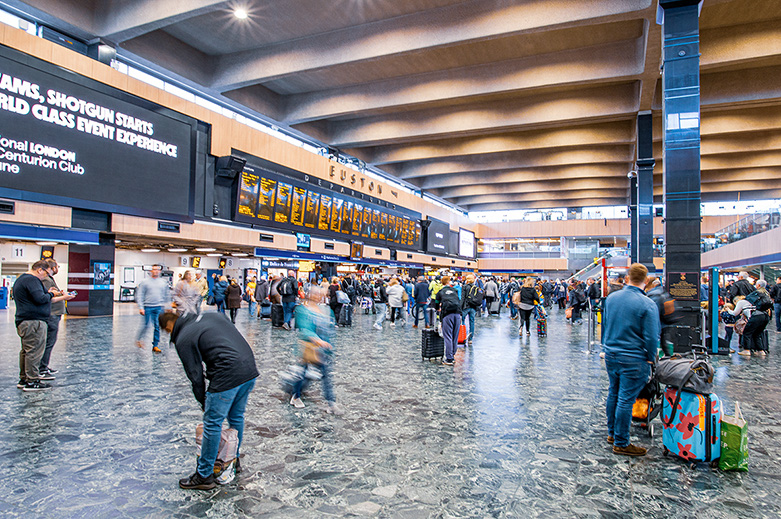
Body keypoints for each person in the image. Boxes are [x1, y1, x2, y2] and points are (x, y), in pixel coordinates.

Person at [159, 311, 258, 490]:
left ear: (168, 327)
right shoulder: (211, 315)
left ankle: (204, 475)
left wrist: (204, 402)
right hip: (249, 368)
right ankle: (232, 461)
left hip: (227, 374)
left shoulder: (184, 337)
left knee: (212, 423)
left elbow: (195, 376)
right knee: (236, 418)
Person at [602, 263, 660, 457]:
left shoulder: (611, 298)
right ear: (646, 280)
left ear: (627, 278)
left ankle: (612, 433)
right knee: (626, 399)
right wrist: (651, 358)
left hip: (612, 354)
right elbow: (652, 337)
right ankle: (621, 441)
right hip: (634, 357)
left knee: (614, 393)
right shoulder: (647, 304)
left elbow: (606, 325)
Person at [14, 260, 75, 391]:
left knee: (27, 351)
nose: (46, 276)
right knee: (34, 351)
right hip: (33, 321)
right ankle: (32, 380)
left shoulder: (23, 279)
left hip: (26, 320)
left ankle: (24, 378)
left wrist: (48, 293)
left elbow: (39, 297)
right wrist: (51, 294)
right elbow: (40, 299)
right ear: (40, 270)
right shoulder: (32, 280)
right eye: (46, 273)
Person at [289, 287, 342, 414]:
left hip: (322, 350)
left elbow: (329, 328)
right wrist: (319, 341)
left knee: (325, 376)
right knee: (302, 373)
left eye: (320, 294)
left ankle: (331, 402)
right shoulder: (302, 310)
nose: (318, 296)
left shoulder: (325, 309)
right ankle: (295, 396)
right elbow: (304, 329)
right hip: (307, 348)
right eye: (315, 293)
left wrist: (327, 345)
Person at [39, 258, 66, 378]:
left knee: (50, 341)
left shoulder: (49, 280)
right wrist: (64, 297)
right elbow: (48, 297)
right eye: (56, 267)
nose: (56, 270)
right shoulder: (46, 280)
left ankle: (44, 365)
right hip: (52, 314)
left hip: (54, 314)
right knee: (49, 341)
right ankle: (42, 368)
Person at [136, 265, 171, 353]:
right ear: (151, 271)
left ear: (160, 271)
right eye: (154, 269)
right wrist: (141, 307)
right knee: (146, 325)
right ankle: (139, 340)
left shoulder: (163, 282)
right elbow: (140, 295)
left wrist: (168, 306)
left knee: (157, 326)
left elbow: (167, 295)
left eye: (157, 270)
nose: (156, 271)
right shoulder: (145, 282)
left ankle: (155, 345)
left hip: (159, 307)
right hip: (147, 307)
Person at [435, 275, 462, 366]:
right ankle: (453, 355)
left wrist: (438, 309)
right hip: (457, 314)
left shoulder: (440, 292)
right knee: (455, 336)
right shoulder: (455, 290)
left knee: (448, 336)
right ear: (449, 282)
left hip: (447, 314)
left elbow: (436, 303)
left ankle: (449, 359)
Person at [461, 274, 483, 344]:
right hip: (473, 307)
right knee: (472, 322)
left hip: (465, 307)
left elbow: (463, 298)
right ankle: (470, 339)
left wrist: (460, 307)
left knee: (462, 321)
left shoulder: (464, 287)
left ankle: (463, 336)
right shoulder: (476, 287)